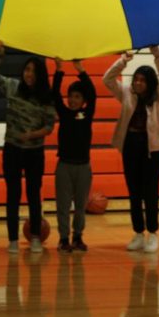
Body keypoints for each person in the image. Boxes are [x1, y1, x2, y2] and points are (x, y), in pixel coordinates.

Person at [0, 43, 56, 253]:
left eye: (33, 71)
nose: (29, 74)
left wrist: (32, 135)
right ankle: (13, 240)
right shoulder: (12, 86)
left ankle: (35, 237)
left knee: (34, 194)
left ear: (40, 74)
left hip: (35, 151)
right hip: (12, 149)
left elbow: (50, 126)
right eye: (27, 70)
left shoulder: (46, 97)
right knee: (13, 194)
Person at [103, 46, 159, 254]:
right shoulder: (126, 93)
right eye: (136, 79)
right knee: (134, 192)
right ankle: (138, 233)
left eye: (142, 80)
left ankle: (153, 234)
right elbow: (107, 79)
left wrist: (158, 56)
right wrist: (123, 60)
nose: (138, 83)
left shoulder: (158, 97)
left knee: (150, 193)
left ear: (149, 83)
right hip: (131, 145)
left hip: (153, 149)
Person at [51, 58, 96, 253]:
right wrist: (59, 70)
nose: (72, 100)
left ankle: (78, 237)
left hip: (83, 167)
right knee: (63, 205)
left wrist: (81, 70)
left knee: (80, 206)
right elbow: (54, 94)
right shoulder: (64, 113)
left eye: (77, 97)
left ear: (83, 100)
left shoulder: (87, 114)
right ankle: (63, 239)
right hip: (64, 166)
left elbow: (93, 94)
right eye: (70, 96)